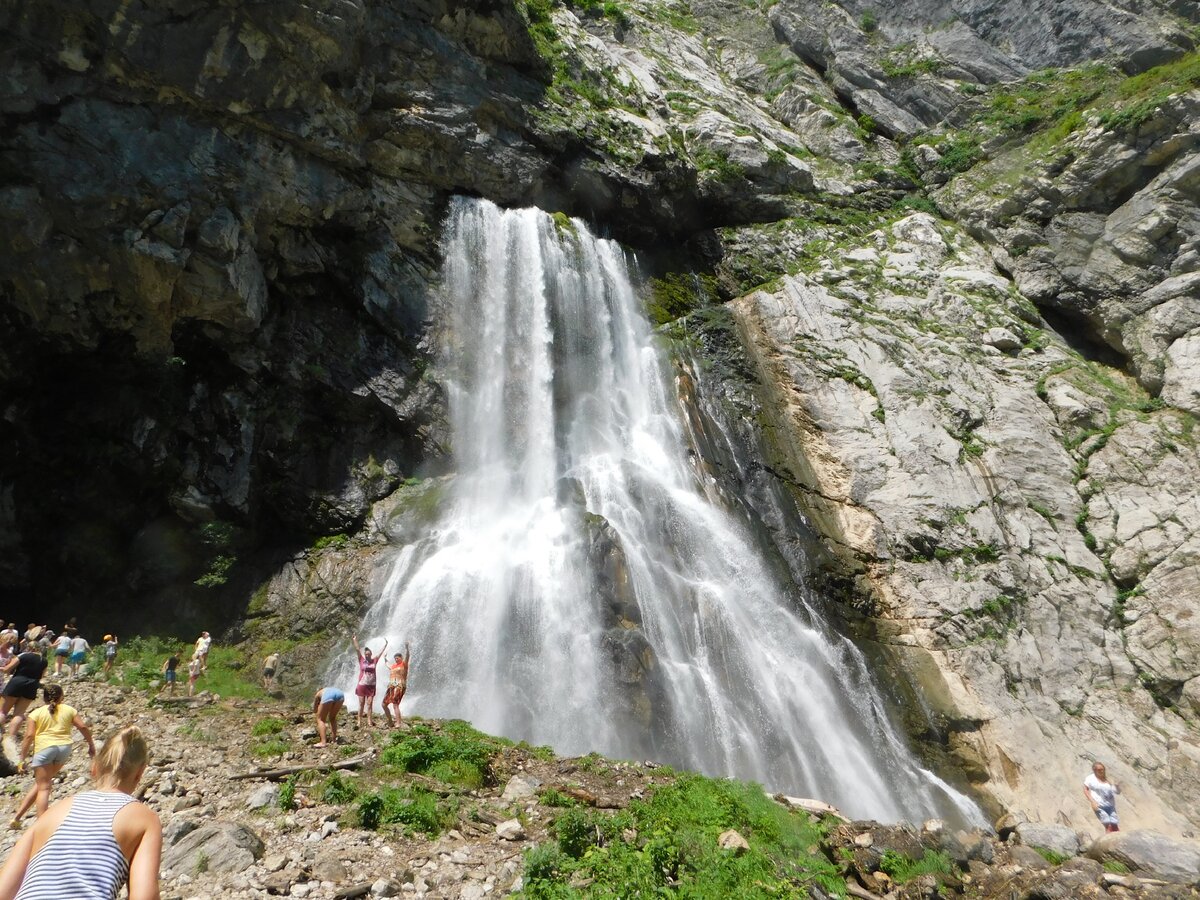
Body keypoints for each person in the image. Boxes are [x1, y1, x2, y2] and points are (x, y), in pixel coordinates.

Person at [0, 725, 162, 900]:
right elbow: (144, 896)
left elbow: (4, 890)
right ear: (139, 773)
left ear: (94, 767)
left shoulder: (53, 812)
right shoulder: (144, 818)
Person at [10, 685, 95, 827]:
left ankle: (41, 823)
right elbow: (83, 727)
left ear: (43, 698)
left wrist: (21, 759)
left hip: (44, 749)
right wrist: (91, 744)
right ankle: (17, 817)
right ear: (61, 696)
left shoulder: (35, 714)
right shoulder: (69, 710)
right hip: (64, 749)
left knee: (43, 787)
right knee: (42, 784)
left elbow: (29, 736)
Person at [0, 645, 47, 752]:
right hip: (32, 685)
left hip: (17, 682)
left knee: (3, 711)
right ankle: (12, 738)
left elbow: (7, 669)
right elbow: (42, 675)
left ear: (30, 649)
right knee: (19, 714)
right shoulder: (44, 661)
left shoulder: (24, 655)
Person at [351, 635, 387, 728]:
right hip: (362, 685)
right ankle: (359, 721)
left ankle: (369, 721)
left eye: (368, 654)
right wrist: (355, 640)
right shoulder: (361, 660)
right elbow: (357, 649)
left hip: (371, 686)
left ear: (371, 654)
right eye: (366, 654)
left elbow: (380, 652)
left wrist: (385, 645)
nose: (367, 655)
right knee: (361, 703)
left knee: (370, 703)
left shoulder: (374, 660)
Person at [1083, 761, 1121, 832]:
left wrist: (1117, 787)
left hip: (1111, 806)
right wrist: (1092, 801)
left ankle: (1117, 842)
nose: (1102, 771)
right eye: (1099, 770)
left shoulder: (1108, 779)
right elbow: (1085, 789)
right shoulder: (1090, 778)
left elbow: (1116, 792)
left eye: (1103, 769)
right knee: (1108, 825)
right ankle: (1110, 842)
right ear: (1094, 770)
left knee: (1115, 826)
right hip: (1099, 806)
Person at [382, 643, 411, 729]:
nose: (396, 659)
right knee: (384, 704)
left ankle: (398, 723)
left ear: (401, 658)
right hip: (391, 686)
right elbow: (387, 664)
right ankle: (390, 721)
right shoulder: (393, 666)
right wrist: (384, 657)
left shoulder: (404, 664)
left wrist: (407, 649)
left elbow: (407, 657)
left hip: (399, 685)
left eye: (397, 658)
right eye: (395, 658)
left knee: (395, 704)